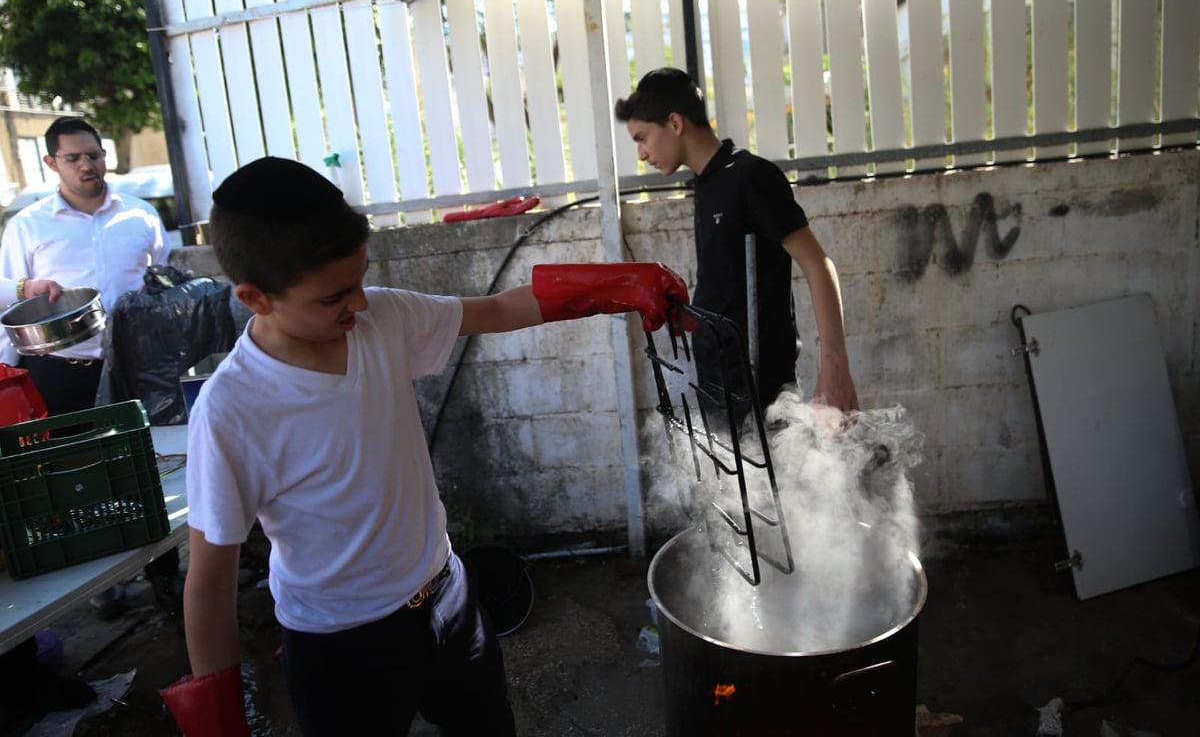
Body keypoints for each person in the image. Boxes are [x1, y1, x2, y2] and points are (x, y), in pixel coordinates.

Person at [161, 157, 689, 736]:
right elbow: (209, 584)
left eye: (360, 281)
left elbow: (494, 310)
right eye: (334, 297)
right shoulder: (232, 409)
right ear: (256, 298)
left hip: (448, 601)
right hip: (340, 650)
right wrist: (219, 726)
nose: (358, 304)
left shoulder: (380, 318)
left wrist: (613, 283)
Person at [0, 115, 178, 617]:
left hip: (133, 365)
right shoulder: (29, 225)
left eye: (94, 155)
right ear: (52, 163)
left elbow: (164, 278)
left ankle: (165, 576)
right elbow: (4, 294)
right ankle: (100, 584)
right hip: (58, 367)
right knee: (72, 475)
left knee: (147, 466)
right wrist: (8, 369)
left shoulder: (140, 216)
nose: (87, 166)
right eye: (74, 158)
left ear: (105, 156)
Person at [614, 67, 858, 424]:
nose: (641, 153)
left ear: (675, 122)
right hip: (717, 382)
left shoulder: (751, 178)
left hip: (760, 389)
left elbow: (818, 264)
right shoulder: (706, 184)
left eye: (642, 137)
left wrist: (835, 367)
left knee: (772, 480)